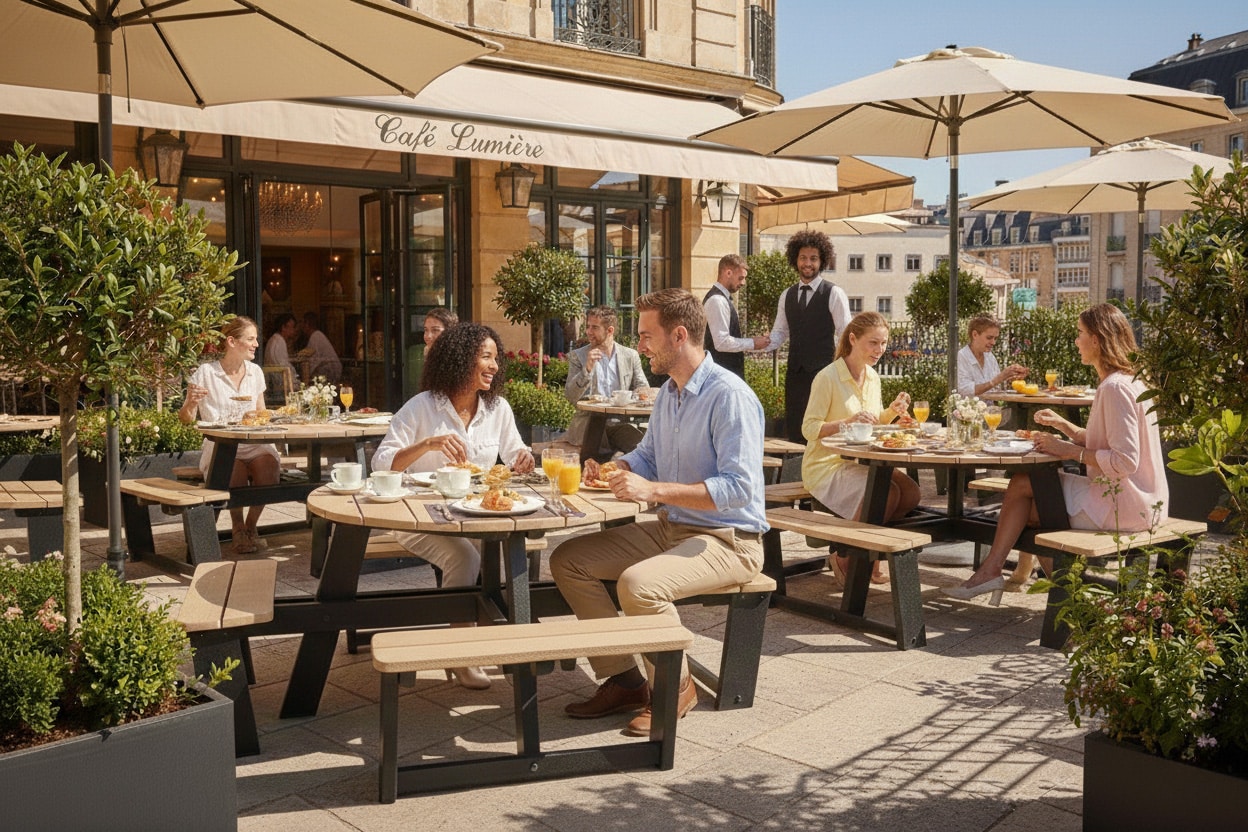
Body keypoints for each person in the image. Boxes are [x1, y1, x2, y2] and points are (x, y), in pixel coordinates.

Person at [550, 288, 767, 736]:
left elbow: (740, 488)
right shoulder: (669, 393)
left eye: (647, 336)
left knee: (638, 585)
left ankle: (676, 686)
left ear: (679, 335)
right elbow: (648, 455)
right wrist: (620, 466)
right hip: (674, 528)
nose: (640, 344)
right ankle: (625, 679)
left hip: (731, 540)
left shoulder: (730, 397)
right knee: (569, 560)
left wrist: (652, 490)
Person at [944, 304, 1169, 603]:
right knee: (1025, 484)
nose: (1076, 341)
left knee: (1030, 504)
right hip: (1142, 498)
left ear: (1097, 340)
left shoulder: (1114, 388)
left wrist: (1066, 450)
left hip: (1123, 504)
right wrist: (1064, 426)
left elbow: (1124, 460)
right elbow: (1106, 441)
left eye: (1080, 334)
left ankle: (1066, 600)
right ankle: (1000, 574)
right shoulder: (1129, 381)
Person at [372, 322, 535, 690]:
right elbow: (381, 463)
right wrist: (427, 444)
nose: (494, 366)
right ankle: (458, 653)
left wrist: (524, 459)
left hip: (473, 511)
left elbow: (515, 453)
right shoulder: (422, 407)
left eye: (496, 358)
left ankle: (498, 640)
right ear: (461, 359)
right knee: (465, 559)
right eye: (486, 357)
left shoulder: (497, 408)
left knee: (509, 554)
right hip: (418, 515)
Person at [801, 311, 920, 584]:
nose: (880, 350)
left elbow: (873, 422)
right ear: (853, 339)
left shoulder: (873, 377)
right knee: (886, 493)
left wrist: (893, 412)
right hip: (825, 465)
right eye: (873, 343)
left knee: (912, 493)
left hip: (859, 462)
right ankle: (846, 555)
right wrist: (846, 422)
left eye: (883, 343)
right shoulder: (827, 377)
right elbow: (809, 429)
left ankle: (869, 546)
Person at [179, 316, 280, 555]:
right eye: (251, 339)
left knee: (269, 469)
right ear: (232, 341)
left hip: (253, 442)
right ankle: (237, 527)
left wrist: (270, 417)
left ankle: (250, 526)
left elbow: (260, 412)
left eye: (256, 339)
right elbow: (185, 418)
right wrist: (191, 404)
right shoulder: (206, 373)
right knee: (231, 470)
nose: (256, 344)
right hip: (221, 444)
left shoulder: (255, 372)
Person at [763, 230, 851, 442]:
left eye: (813, 258)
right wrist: (752, 344)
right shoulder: (787, 295)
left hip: (824, 373)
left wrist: (842, 370)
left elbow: (846, 334)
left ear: (822, 261)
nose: (807, 263)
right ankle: (797, 473)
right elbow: (780, 333)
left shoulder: (834, 293)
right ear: (796, 260)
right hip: (795, 375)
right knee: (795, 428)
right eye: (803, 258)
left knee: (821, 427)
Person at [563, 305, 649, 454]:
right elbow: (570, 396)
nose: (588, 332)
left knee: (643, 450)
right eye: (588, 326)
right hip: (589, 425)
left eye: (594, 327)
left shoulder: (630, 356)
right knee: (594, 459)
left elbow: (643, 387)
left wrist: (637, 394)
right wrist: (587, 369)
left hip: (621, 423)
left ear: (610, 330)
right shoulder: (578, 356)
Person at [703, 253, 769, 380]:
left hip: (725, 374)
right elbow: (722, 343)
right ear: (728, 273)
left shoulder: (721, 299)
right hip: (721, 376)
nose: (743, 283)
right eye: (740, 278)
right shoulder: (717, 300)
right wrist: (753, 343)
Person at [957, 315, 1028, 397]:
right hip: (970, 409)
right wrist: (997, 379)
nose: (993, 342)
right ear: (975, 335)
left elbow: (996, 388)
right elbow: (965, 391)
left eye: (995, 338)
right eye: (989, 338)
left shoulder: (989, 357)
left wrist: (1012, 378)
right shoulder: (961, 357)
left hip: (993, 409)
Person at [297, 311, 341, 383]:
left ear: (307, 324)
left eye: (302, 323)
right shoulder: (316, 336)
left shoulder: (316, 336)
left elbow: (313, 360)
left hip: (329, 372)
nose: (301, 326)